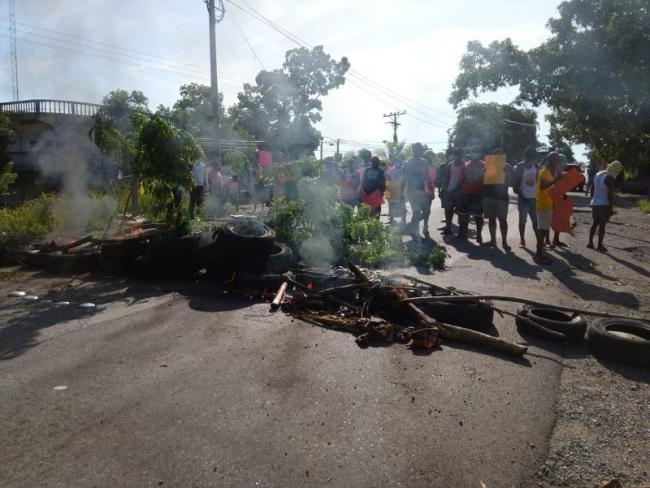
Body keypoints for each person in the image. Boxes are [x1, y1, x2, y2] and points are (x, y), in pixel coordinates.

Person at [534, 152, 563, 265]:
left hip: (548, 204)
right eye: (557, 160)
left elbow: (550, 189)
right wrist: (556, 180)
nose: (558, 163)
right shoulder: (545, 171)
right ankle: (538, 255)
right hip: (543, 205)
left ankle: (540, 253)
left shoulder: (551, 171)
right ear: (552, 161)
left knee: (544, 229)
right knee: (542, 230)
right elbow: (542, 187)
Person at [588, 160, 623, 252]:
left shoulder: (598, 174)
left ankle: (590, 243)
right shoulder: (610, 178)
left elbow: (592, 189)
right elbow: (609, 194)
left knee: (594, 223)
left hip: (595, 203)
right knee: (602, 226)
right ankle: (599, 245)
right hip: (604, 204)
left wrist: (593, 200)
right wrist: (611, 208)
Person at [482, 150, 512, 251]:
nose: (497, 157)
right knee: (491, 219)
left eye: (500, 155)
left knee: (502, 220)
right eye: (495, 155)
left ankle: (504, 242)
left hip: (502, 197)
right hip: (489, 196)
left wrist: (507, 173)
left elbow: (511, 182)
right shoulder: (487, 165)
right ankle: (493, 241)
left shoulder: (507, 166)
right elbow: (483, 182)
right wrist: (484, 173)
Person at [457, 145, 485, 242]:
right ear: (470, 153)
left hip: (479, 194)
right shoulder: (465, 165)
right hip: (466, 193)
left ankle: (479, 235)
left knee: (478, 216)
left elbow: (488, 180)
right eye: (473, 151)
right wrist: (459, 193)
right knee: (464, 215)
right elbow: (460, 180)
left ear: (480, 153)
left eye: (477, 151)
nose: (475, 153)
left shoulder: (484, 165)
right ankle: (463, 233)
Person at [512, 147, 539, 248]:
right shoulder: (519, 167)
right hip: (523, 199)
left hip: (534, 199)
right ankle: (522, 239)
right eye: (530, 158)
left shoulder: (536, 167)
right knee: (522, 221)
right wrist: (522, 197)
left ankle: (539, 241)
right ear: (526, 157)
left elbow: (538, 183)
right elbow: (515, 186)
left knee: (536, 222)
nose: (532, 160)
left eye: (533, 158)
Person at [404, 143, 430, 240]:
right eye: (417, 149)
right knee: (416, 212)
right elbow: (405, 179)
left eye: (420, 149)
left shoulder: (425, 162)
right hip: (412, 191)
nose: (419, 151)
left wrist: (430, 190)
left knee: (427, 211)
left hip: (422, 190)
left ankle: (411, 226)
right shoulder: (407, 163)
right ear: (413, 150)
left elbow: (427, 177)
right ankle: (414, 231)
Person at [440, 148, 465, 236]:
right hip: (449, 191)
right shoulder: (450, 165)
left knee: (461, 213)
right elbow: (446, 178)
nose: (458, 156)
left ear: (462, 155)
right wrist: (444, 189)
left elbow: (466, 179)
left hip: (461, 192)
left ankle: (462, 231)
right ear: (454, 155)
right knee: (448, 210)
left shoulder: (465, 165)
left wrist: (461, 190)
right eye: (456, 154)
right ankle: (448, 228)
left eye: (460, 154)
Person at [386, 154, 407, 226]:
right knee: (391, 205)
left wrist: (403, 190)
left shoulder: (403, 169)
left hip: (400, 189)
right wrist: (387, 192)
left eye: (398, 161)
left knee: (402, 205)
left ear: (400, 161)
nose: (397, 162)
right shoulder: (391, 170)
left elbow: (404, 180)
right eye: (396, 161)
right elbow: (388, 180)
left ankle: (403, 220)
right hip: (392, 188)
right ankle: (391, 219)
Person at [422, 150, 438, 238]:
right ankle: (414, 226)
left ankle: (425, 226)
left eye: (431, 156)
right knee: (419, 211)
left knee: (427, 211)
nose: (429, 157)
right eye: (427, 156)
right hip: (420, 191)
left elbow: (436, 181)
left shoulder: (435, 167)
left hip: (429, 192)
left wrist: (433, 190)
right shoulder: (421, 165)